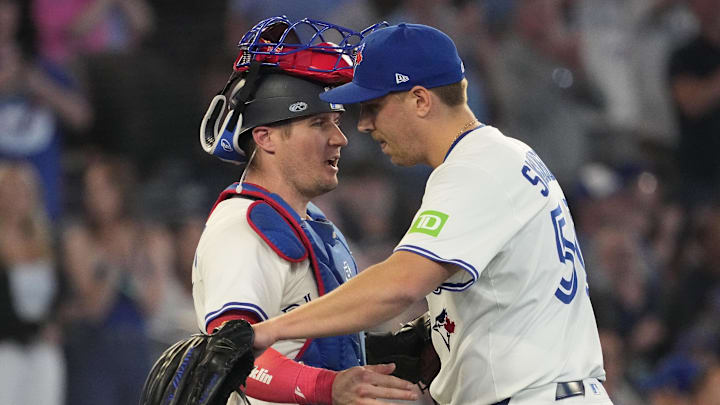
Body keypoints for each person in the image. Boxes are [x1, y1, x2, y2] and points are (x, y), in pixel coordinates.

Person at [252, 23, 614, 405]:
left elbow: (400, 284)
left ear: (421, 100)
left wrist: (268, 332)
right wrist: (440, 335)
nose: (363, 124)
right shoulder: (505, 154)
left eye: (374, 106)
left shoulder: (475, 168)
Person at [192, 16, 418, 405]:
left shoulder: (313, 224)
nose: (340, 138)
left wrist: (402, 352)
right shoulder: (243, 229)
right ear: (265, 137)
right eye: (318, 123)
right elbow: (232, 360)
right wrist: (329, 388)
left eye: (336, 121)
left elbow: (321, 351)